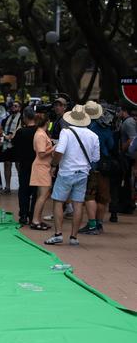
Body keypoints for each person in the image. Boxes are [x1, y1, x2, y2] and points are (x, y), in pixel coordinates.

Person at [44, 105, 100, 246]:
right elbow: (95, 158)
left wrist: (54, 165)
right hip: (83, 173)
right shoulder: (93, 136)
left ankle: (58, 234)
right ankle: (74, 237)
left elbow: (60, 151)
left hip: (66, 172)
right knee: (78, 204)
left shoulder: (66, 132)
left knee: (58, 202)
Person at [79, 101, 114, 235]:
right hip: (105, 166)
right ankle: (99, 224)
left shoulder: (87, 127)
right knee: (102, 197)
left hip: (91, 166)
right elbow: (111, 145)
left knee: (90, 196)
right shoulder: (105, 127)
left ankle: (92, 224)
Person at [12, 107, 37, 225]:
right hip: (37, 164)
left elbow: (14, 145)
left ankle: (23, 214)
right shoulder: (39, 131)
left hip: (24, 164)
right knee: (35, 191)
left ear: (25, 117)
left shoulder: (21, 131)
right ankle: (33, 215)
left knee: (23, 191)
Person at [29, 113, 54, 230]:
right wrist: (54, 148)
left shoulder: (41, 134)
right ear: (47, 122)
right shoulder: (40, 135)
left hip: (43, 166)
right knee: (43, 195)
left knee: (42, 195)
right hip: (41, 166)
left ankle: (38, 219)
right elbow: (41, 153)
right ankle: (35, 220)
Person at [0, 101, 22, 193]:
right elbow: (1, 128)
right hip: (7, 144)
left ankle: (22, 186)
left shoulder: (21, 118)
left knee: (18, 165)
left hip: (17, 144)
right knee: (7, 164)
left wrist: (12, 136)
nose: (14, 107)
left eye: (16, 106)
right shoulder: (7, 118)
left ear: (19, 108)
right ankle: (7, 187)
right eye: (13, 106)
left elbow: (20, 130)